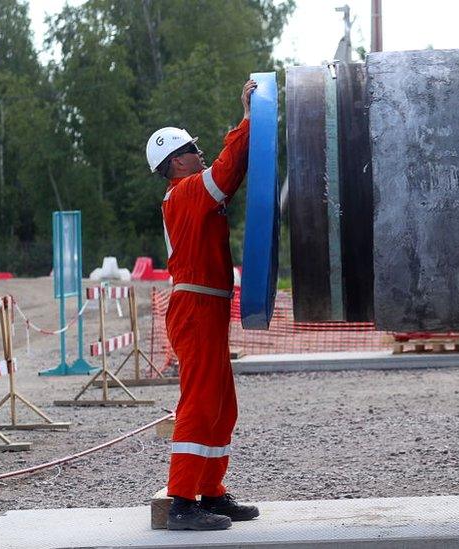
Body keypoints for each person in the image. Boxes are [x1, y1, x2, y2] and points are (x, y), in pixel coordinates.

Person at [144, 79, 259, 531]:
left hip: (205, 308)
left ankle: (210, 492)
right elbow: (229, 170)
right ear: (176, 161)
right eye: (193, 148)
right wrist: (247, 120)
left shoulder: (188, 193)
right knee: (198, 402)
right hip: (194, 310)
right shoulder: (187, 192)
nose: (200, 151)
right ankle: (181, 501)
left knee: (221, 404)